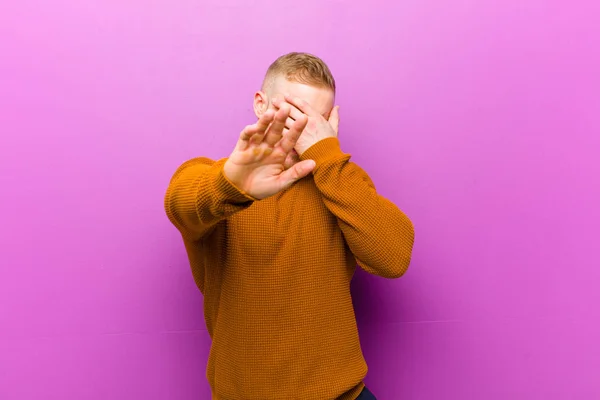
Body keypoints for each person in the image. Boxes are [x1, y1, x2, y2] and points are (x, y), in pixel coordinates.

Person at [164, 52, 415, 400]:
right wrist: (229, 184)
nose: (302, 130)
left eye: (318, 120)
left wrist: (327, 156)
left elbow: (394, 257)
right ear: (260, 104)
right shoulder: (217, 183)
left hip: (343, 394)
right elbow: (180, 202)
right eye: (294, 114)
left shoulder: (341, 182)